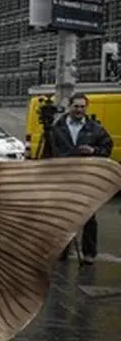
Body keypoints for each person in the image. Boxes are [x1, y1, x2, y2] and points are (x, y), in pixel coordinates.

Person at [52, 93, 112, 264]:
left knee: (89, 217)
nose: (79, 110)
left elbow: (106, 149)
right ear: (69, 107)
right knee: (63, 216)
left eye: (82, 106)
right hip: (64, 178)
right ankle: (62, 251)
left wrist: (94, 151)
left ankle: (89, 253)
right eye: (76, 106)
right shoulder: (57, 128)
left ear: (86, 108)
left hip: (86, 178)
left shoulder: (95, 129)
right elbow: (48, 154)